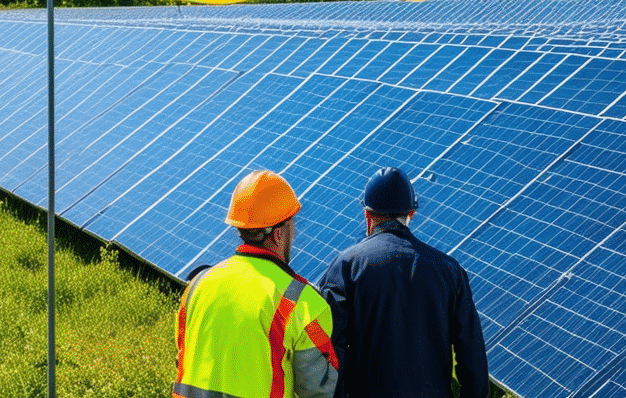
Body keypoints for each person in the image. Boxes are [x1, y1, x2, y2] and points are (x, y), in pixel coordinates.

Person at [319, 166, 489, 398]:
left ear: (367, 216)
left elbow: (328, 350)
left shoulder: (346, 266)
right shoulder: (449, 271)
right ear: (411, 213)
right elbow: (472, 356)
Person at [174, 170, 339, 398]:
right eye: (293, 223)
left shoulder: (198, 285)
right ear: (279, 234)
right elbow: (319, 390)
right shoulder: (302, 304)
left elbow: (183, 357)